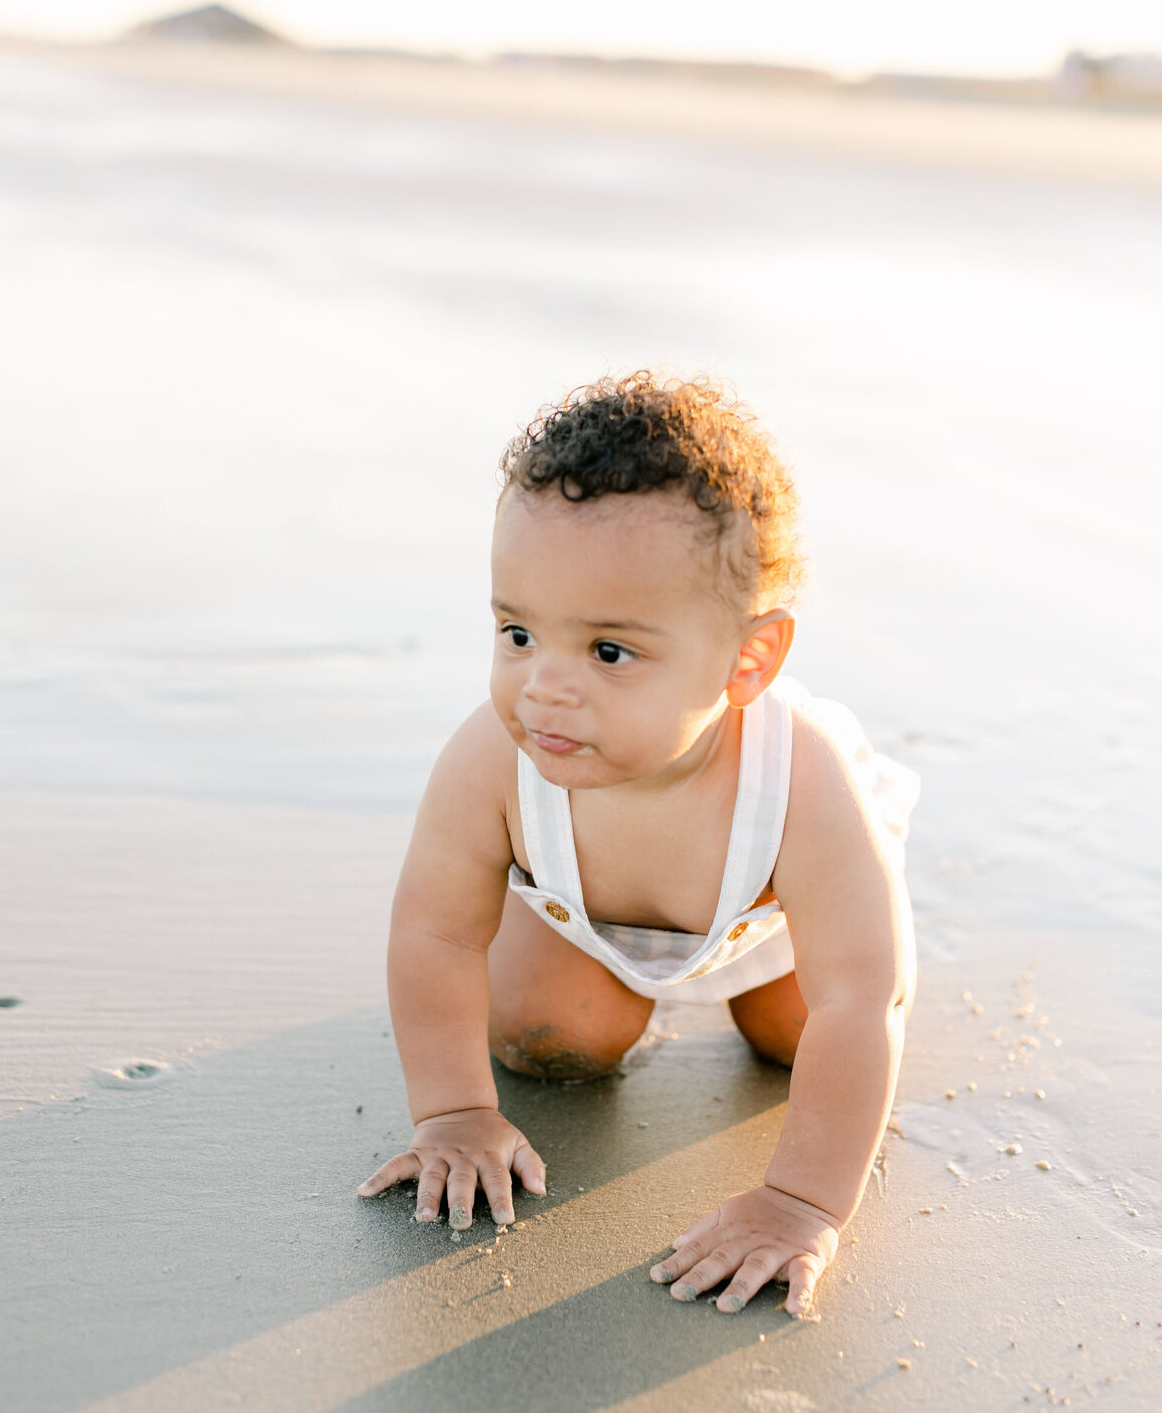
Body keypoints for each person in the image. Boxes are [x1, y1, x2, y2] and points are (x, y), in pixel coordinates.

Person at [359, 374, 918, 1317]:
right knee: (550, 1038)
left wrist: (799, 1202)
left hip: (765, 918)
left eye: (608, 652)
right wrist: (453, 1111)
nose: (545, 689)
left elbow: (864, 994)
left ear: (748, 661)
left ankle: (783, 1021)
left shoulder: (802, 779)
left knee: (804, 1034)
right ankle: (594, 990)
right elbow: (435, 933)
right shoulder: (495, 758)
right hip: (586, 917)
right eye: (519, 633)